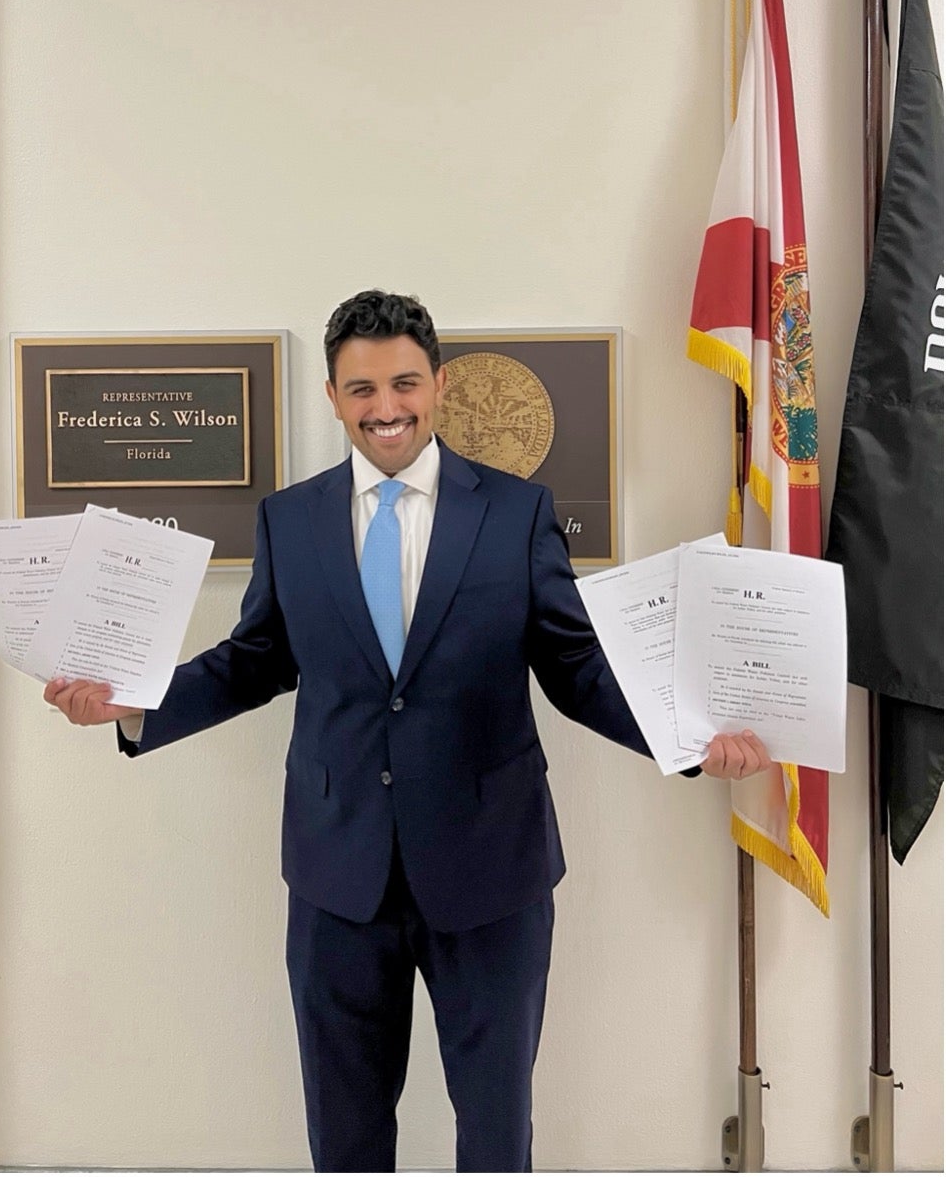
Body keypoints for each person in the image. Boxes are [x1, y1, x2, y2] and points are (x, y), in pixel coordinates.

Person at [45, 289, 771, 1174]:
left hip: (490, 871)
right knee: (345, 1136)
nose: (385, 408)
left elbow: (575, 667)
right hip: (336, 873)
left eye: (403, 383)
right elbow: (254, 660)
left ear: (440, 383)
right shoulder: (291, 518)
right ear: (331, 395)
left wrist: (689, 734)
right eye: (361, 390)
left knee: (497, 1131)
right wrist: (135, 705)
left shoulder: (516, 513)